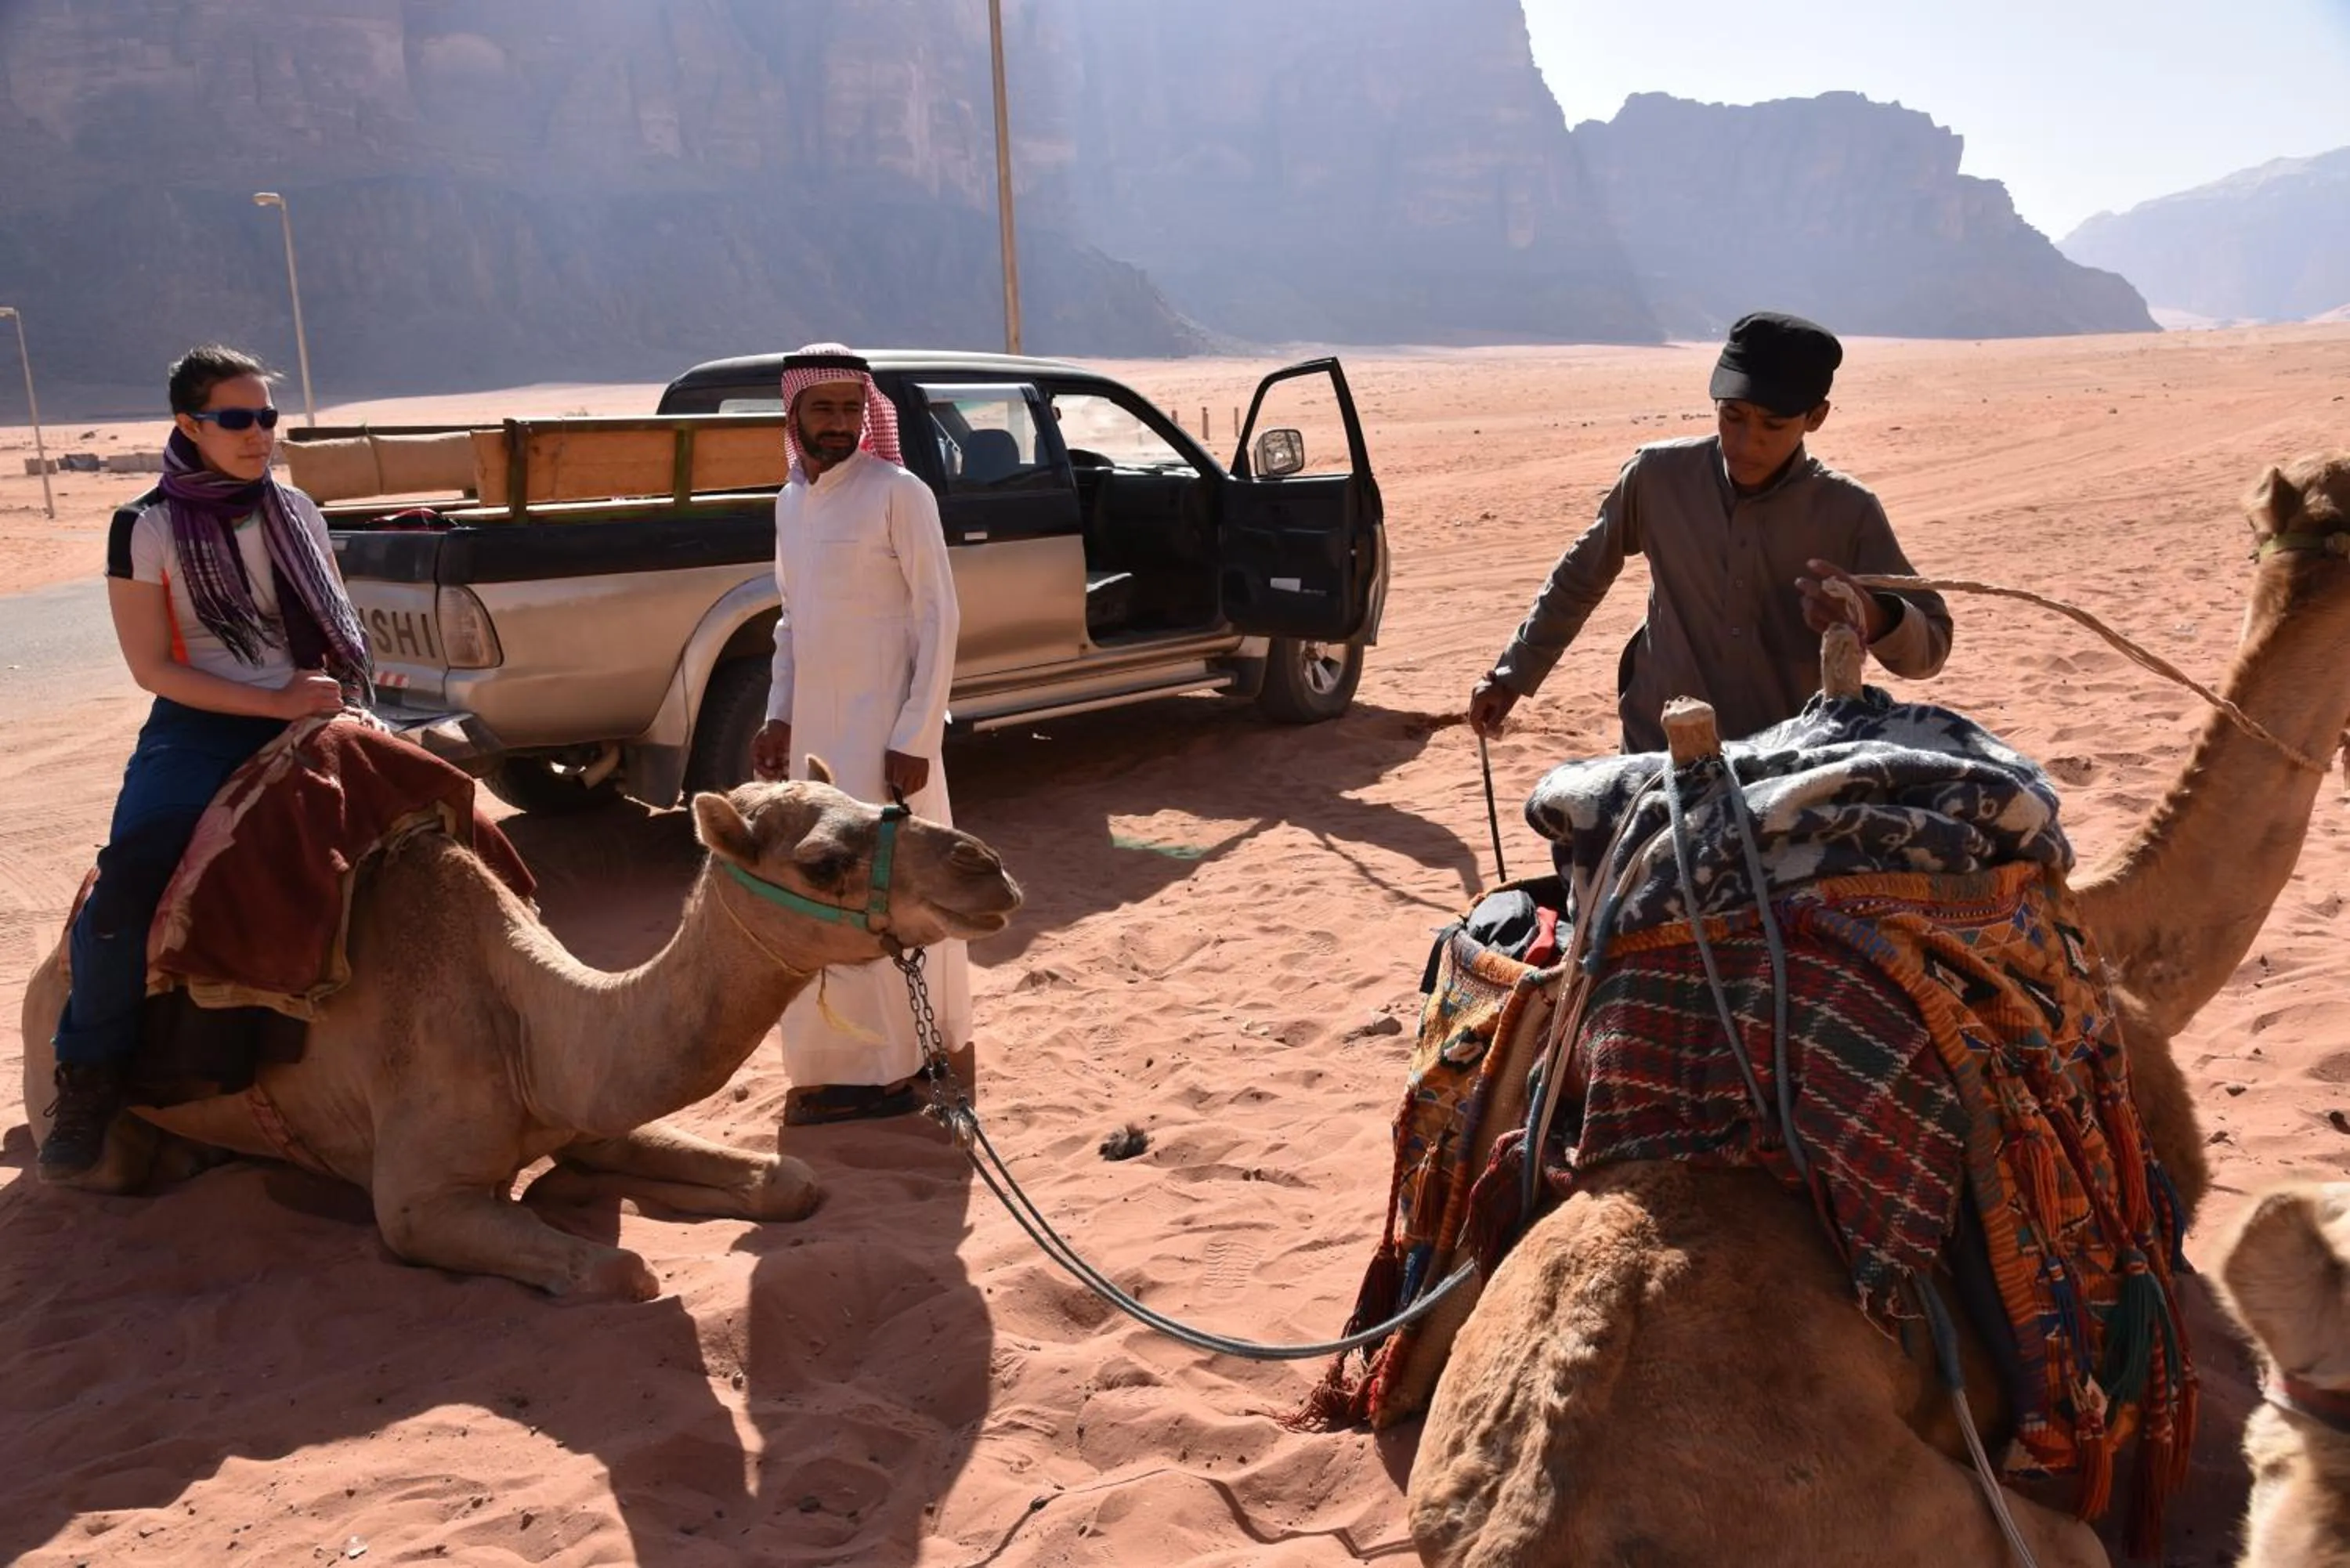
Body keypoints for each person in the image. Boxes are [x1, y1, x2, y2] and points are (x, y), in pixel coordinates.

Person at [41, 345, 372, 1181]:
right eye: (236, 419)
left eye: (267, 417)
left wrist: (321, 699)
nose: (259, 434)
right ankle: (88, 1079)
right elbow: (152, 668)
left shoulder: (296, 509)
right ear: (189, 425)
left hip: (314, 708)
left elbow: (331, 624)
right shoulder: (145, 526)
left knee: (436, 820)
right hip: (201, 726)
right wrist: (274, 703)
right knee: (132, 879)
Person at [1467, 312, 1952, 752]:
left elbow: (1930, 648)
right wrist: (1512, 675)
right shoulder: (1657, 477)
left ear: (1816, 417)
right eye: (1732, 416)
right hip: (1655, 747)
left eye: (1773, 426)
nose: (1746, 442)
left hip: (1783, 762)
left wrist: (1874, 616)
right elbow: (1580, 577)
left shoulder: (1848, 510)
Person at [750, 345, 970, 1126]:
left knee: (888, 892)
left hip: (885, 741)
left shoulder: (898, 493)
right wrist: (778, 715)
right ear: (796, 414)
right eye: (825, 409)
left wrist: (916, 734)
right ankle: (843, 1066)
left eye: (852, 408)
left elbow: (939, 616)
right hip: (814, 744)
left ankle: (891, 1069)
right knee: (824, 892)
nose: (840, 423)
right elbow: (791, 623)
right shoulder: (790, 503)